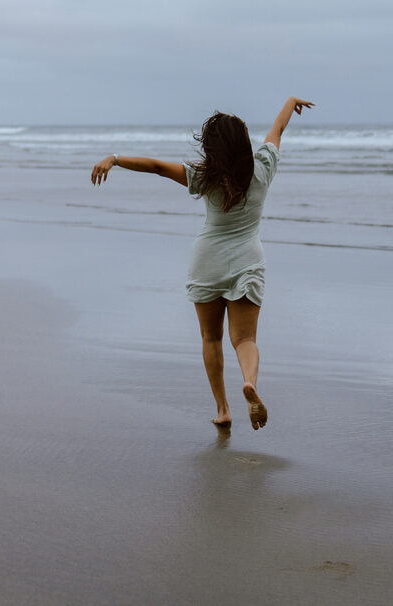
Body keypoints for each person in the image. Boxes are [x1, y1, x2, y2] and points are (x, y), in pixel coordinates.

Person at [91, 96, 314, 430]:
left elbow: (155, 167)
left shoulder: (203, 176)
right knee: (245, 339)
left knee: (211, 339)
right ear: (242, 143)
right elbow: (277, 129)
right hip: (246, 262)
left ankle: (223, 410)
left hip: (207, 262)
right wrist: (289, 103)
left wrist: (115, 159)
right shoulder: (263, 168)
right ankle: (250, 382)